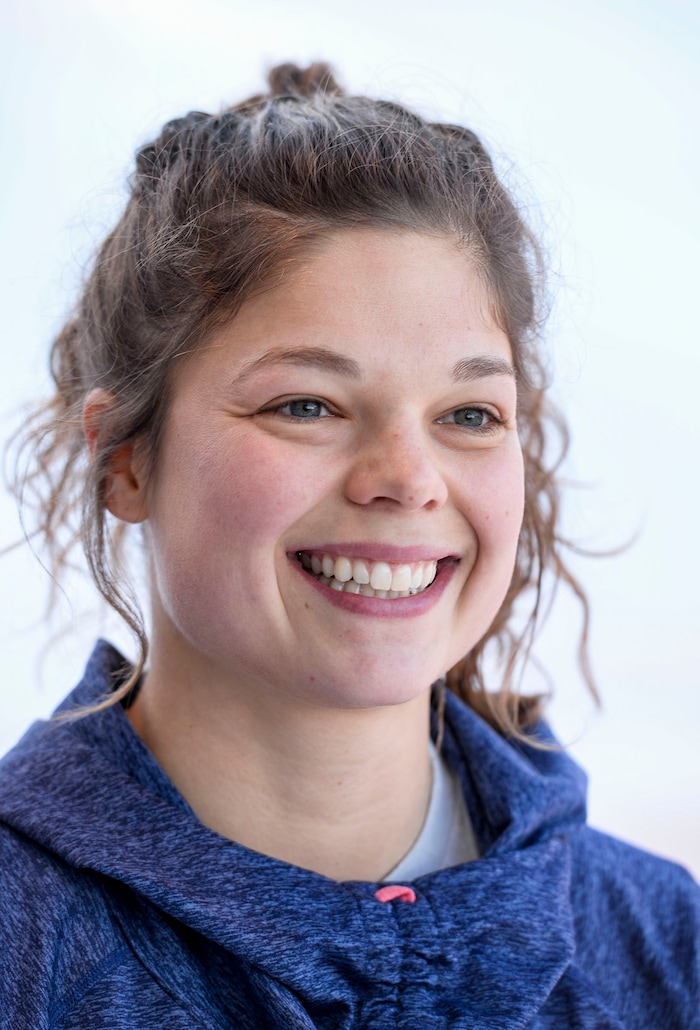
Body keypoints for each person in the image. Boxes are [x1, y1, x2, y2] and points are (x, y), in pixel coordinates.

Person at [0, 61, 697, 1029]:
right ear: (124, 458)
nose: (407, 477)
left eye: (467, 412)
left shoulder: (667, 948)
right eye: (307, 404)